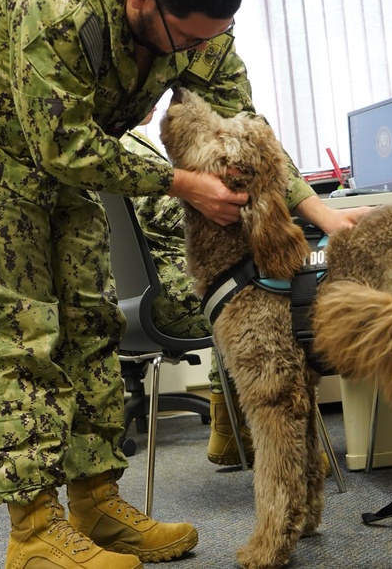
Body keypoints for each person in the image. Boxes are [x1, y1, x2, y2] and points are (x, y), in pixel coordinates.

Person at [0, 0, 367, 567]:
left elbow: (245, 124)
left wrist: (314, 208)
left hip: (62, 151)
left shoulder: (197, 24)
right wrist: (180, 182)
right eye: (192, 39)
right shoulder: (56, 0)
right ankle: (34, 533)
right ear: (141, 0)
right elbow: (61, 145)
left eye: (216, 36)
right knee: (23, 332)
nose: (201, 51)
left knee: (91, 321)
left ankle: (95, 505)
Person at [121, 113, 346, 472]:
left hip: (131, 296)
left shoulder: (109, 145)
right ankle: (269, 433)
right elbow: (184, 215)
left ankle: (229, 426)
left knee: (240, 284)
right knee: (250, 293)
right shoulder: (131, 147)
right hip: (171, 297)